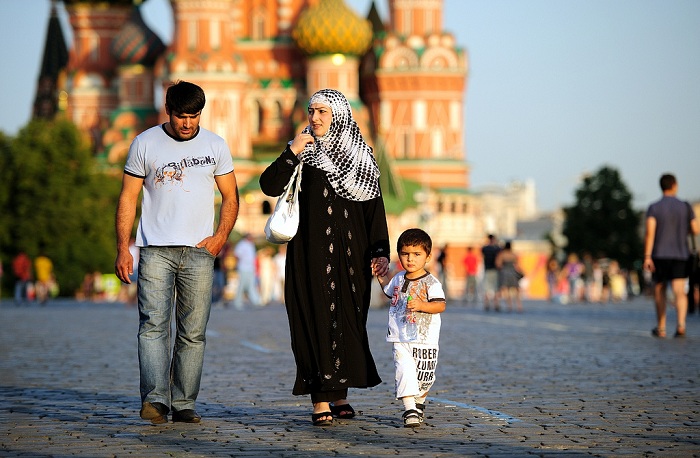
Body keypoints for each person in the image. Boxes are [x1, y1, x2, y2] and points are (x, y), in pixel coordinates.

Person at [259, 88, 390, 426]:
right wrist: (292, 151)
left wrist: (380, 251)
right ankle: (320, 399)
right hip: (310, 256)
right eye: (311, 111)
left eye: (322, 112)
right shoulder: (302, 153)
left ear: (339, 117)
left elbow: (374, 209)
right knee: (314, 319)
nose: (314, 117)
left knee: (348, 321)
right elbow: (269, 185)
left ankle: (340, 393)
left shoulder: (361, 157)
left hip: (352, 257)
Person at [114, 80, 239, 424]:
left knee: (193, 332)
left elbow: (231, 196)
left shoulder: (215, 145)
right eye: (182, 116)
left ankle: (184, 402)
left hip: (200, 253)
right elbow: (128, 197)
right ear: (168, 110)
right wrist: (123, 247)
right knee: (153, 326)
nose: (187, 123)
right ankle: (155, 401)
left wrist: (220, 237)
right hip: (155, 250)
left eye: (194, 116)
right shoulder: (144, 143)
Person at [376, 228, 446, 428]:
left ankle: (420, 401)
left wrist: (422, 305)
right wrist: (380, 276)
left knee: (425, 378)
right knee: (403, 371)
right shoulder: (398, 278)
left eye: (416, 254)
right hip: (400, 336)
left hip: (425, 339)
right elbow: (389, 291)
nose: (410, 259)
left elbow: (440, 305)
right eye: (405, 254)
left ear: (428, 256)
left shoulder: (431, 283)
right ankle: (410, 409)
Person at [643, 173, 698, 338]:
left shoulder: (654, 207)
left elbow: (650, 233)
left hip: (660, 254)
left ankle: (661, 327)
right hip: (681, 254)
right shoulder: (685, 207)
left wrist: (647, 256)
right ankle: (681, 325)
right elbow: (695, 229)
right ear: (675, 185)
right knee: (679, 291)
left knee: (659, 289)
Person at [232, 233, 261, 309]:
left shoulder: (251, 245)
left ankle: (256, 301)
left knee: (252, 285)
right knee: (241, 285)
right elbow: (236, 255)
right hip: (243, 268)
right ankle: (238, 302)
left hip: (251, 268)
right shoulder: (241, 244)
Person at [495, 241, 524, 312]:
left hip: (505, 272)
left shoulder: (502, 254)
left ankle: (509, 305)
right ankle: (519, 306)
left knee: (506, 290)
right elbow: (517, 265)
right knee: (516, 289)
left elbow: (498, 264)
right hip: (513, 272)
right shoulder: (513, 254)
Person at [481, 234, 501, 311]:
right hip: (495, 270)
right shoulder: (497, 249)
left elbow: (482, 251)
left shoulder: (485, 248)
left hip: (487, 269)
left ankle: (486, 304)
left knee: (486, 288)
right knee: (496, 288)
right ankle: (496, 304)